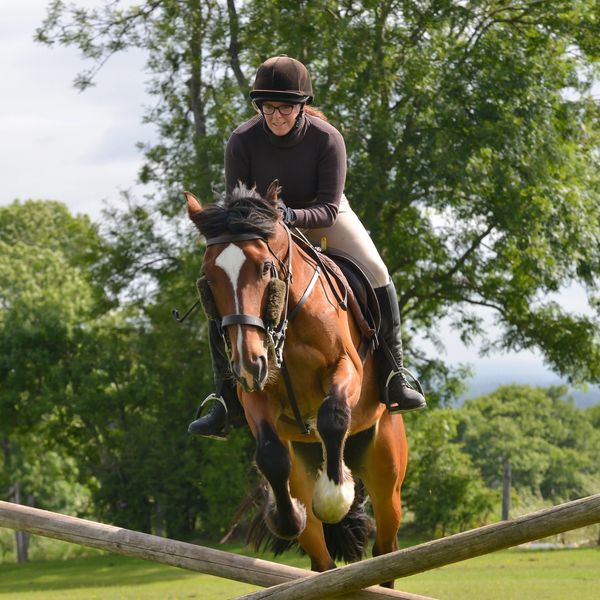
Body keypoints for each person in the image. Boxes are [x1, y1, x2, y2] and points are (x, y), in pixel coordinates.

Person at [189, 55, 426, 438]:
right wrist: (265, 227)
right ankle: (224, 398)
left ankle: (394, 373)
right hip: (265, 230)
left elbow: (330, 207)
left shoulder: (327, 138)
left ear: (301, 107)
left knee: (378, 272)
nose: (276, 116)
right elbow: (237, 209)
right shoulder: (241, 141)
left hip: (322, 217)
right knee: (226, 289)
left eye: (284, 108)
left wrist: (290, 216)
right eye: (267, 108)